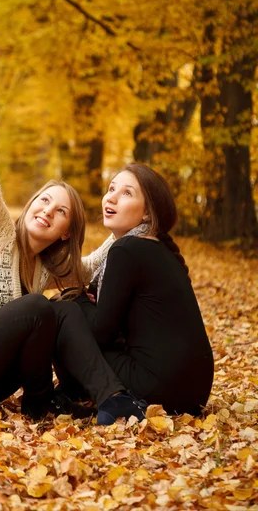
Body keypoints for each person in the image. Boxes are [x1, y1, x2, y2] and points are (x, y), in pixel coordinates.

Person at [0, 64, 142, 423]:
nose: (47, 211)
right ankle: (42, 400)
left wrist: (129, 226)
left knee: (60, 308)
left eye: (60, 211)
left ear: (66, 231)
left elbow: (88, 265)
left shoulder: (44, 270)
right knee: (38, 306)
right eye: (44, 200)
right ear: (32, 203)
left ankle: (109, 399)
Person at [54, 163, 214, 425]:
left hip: (160, 390)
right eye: (111, 189)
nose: (112, 197)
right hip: (194, 394)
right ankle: (77, 390)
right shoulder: (156, 247)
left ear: (148, 214)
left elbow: (100, 334)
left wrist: (80, 299)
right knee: (72, 307)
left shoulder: (127, 249)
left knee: (62, 312)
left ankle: (70, 392)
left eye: (127, 193)